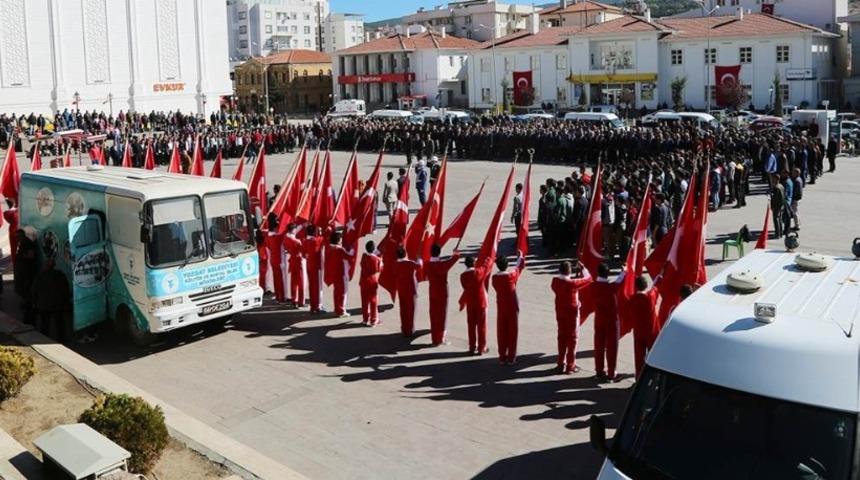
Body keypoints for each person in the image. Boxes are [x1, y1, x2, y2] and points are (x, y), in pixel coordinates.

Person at [550, 260, 592, 374]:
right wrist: (583, 268)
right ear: (570, 271)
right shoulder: (572, 284)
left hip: (560, 312)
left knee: (561, 337)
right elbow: (589, 279)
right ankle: (570, 365)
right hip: (572, 313)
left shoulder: (555, 281)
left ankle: (561, 363)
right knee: (573, 338)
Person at [591, 263, 623, 381]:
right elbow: (620, 280)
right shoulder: (612, 287)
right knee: (612, 347)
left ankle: (599, 371)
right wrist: (624, 271)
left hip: (599, 319)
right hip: (611, 320)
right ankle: (611, 373)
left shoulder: (593, 285)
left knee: (599, 345)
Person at [492, 252, 525, 365]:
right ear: (507, 265)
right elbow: (519, 267)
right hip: (512, 307)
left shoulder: (495, 278)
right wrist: (520, 256)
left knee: (501, 331)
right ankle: (511, 357)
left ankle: (502, 356)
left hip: (501, 306)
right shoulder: (511, 276)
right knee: (512, 332)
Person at [425, 244, 460, 346]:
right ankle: (440, 338)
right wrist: (455, 253)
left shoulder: (427, 264)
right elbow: (454, 259)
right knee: (441, 315)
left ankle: (434, 338)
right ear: (439, 253)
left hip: (432, 291)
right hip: (442, 292)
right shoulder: (442, 265)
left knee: (433, 314)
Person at [31, 258, 70, 341]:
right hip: (58, 303)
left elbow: (34, 290)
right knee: (59, 323)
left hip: (44, 304)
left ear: (45, 266)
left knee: (45, 324)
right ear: (54, 265)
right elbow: (65, 289)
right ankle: (61, 339)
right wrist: (66, 301)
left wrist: (34, 302)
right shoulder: (60, 275)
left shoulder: (40, 276)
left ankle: (45, 339)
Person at [459, 255, 491, 355]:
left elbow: (465, 288)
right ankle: (481, 348)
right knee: (481, 326)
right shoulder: (478, 272)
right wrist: (488, 258)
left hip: (470, 303)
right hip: (480, 303)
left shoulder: (463, 276)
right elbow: (486, 266)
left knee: (471, 326)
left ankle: (472, 347)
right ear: (474, 263)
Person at [629, 275, 659, 378]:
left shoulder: (632, 299)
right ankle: (653, 377)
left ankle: (639, 376)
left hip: (638, 332)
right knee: (653, 355)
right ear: (646, 286)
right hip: (651, 331)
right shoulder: (650, 297)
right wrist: (660, 275)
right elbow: (656, 286)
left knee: (639, 356)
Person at [395, 246, 423, 337]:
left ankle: (404, 328)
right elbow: (419, 266)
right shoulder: (410, 263)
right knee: (411, 310)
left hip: (401, 289)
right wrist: (419, 258)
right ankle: (410, 329)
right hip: (410, 290)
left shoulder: (396, 264)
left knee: (403, 310)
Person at [325, 231, 353, 317]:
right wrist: (352, 250)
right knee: (343, 292)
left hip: (334, 273)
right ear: (337, 240)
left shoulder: (330, 248)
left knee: (336, 292)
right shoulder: (339, 250)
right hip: (341, 273)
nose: (341, 240)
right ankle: (341, 311)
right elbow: (349, 257)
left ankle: (337, 308)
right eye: (340, 238)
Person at [13, 230, 37, 323]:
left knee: (27, 294)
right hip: (23, 274)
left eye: (17, 237)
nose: (16, 239)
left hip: (27, 274)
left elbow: (31, 255)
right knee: (24, 293)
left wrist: (22, 256)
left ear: (21, 236)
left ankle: (30, 316)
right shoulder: (23, 243)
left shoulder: (28, 244)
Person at [264, 213, 287, 303]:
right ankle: (282, 297)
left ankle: (278, 296)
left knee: (276, 279)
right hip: (280, 260)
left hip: (273, 260)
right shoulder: (278, 236)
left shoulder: (267, 237)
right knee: (281, 280)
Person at [359, 240, 383, 326]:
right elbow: (379, 269)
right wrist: (380, 260)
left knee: (364, 301)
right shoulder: (376, 259)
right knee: (373, 301)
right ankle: (374, 319)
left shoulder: (364, 256)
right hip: (372, 281)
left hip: (363, 280)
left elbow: (361, 264)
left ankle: (365, 319)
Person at [302, 225, 325, 314]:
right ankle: (318, 306)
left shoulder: (305, 241)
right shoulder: (316, 240)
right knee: (318, 287)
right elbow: (324, 238)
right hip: (317, 266)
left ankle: (313, 306)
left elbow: (304, 255)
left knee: (312, 287)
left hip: (309, 266)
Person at [283, 223, 305, 307]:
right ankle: (301, 301)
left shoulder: (286, 238)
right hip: (298, 261)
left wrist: (302, 225)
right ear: (292, 230)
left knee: (293, 281)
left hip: (292, 260)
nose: (296, 230)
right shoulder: (297, 241)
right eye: (295, 229)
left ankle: (294, 299)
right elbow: (303, 251)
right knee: (301, 282)